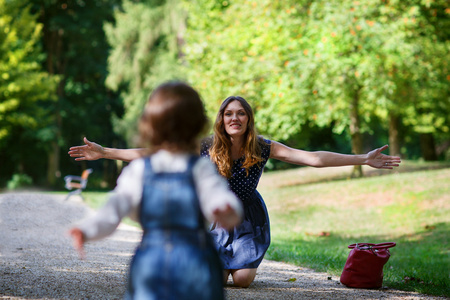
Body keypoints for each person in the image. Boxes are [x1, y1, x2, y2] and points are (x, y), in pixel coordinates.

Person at [69, 96, 401, 288]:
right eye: (229, 113)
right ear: (221, 119)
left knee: (241, 281)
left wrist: (362, 159)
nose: (235, 118)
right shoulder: (204, 146)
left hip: (246, 218)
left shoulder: (263, 146)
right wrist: (106, 152)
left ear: (248, 119)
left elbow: (312, 158)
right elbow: (152, 153)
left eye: (241, 113)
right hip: (211, 215)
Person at [68, 82, 243, 300]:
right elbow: (221, 198)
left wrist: (87, 229)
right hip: (196, 258)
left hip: (152, 260)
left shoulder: (142, 169)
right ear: (199, 126)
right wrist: (226, 210)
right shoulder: (200, 168)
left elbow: (113, 210)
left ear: (149, 125)